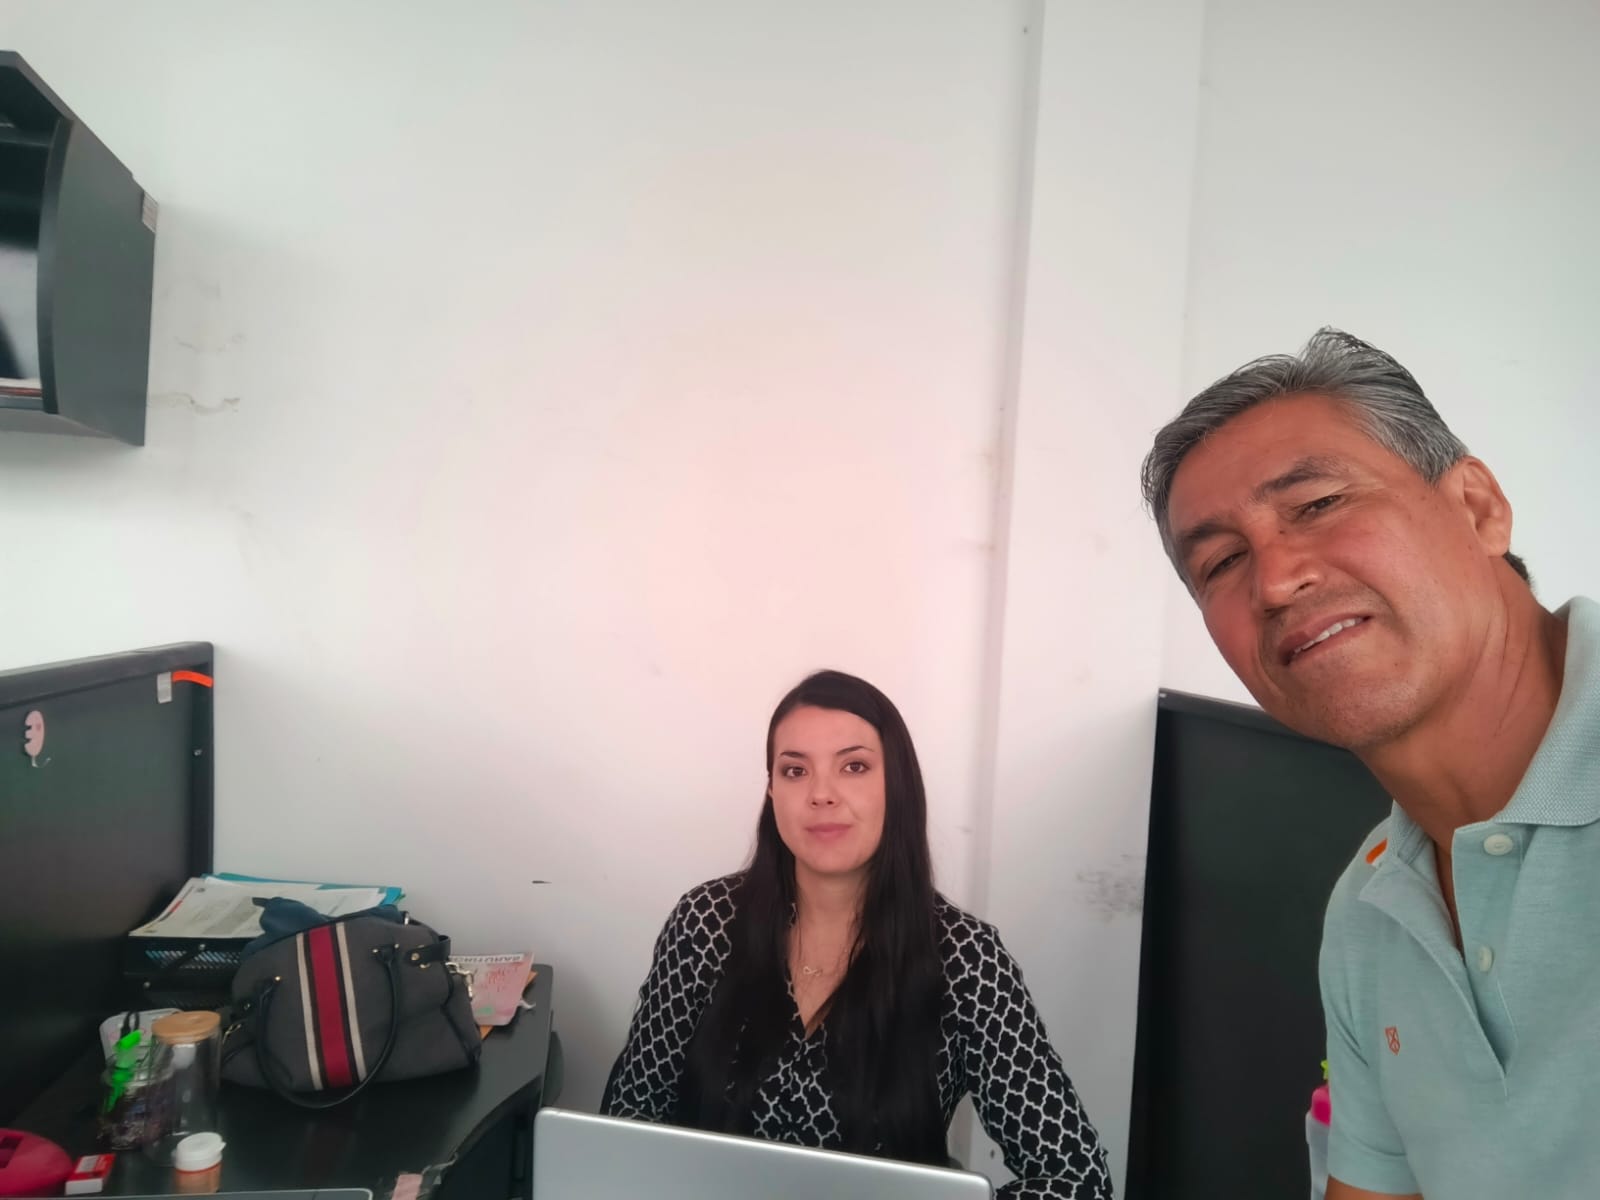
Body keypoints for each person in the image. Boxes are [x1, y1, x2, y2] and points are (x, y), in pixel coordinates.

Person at [1141, 327, 1598, 1199]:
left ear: (1476, 508)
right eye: (1222, 561)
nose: (1274, 581)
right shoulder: (1369, 915)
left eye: (1318, 504)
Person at [601, 669, 1113, 1199]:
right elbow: (629, 1115)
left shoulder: (966, 959)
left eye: (854, 766)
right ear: (772, 791)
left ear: (898, 784)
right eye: (795, 770)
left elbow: (1077, 1179)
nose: (821, 794)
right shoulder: (707, 921)